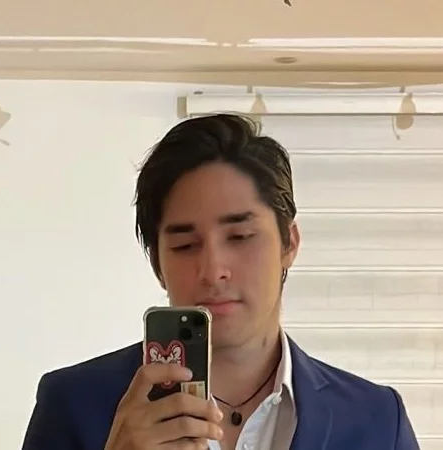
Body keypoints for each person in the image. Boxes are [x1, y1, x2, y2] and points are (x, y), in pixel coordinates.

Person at [21, 114, 420, 450]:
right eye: (185, 245)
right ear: (158, 264)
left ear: (289, 244)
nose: (213, 271)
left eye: (240, 237)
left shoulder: (378, 420)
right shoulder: (71, 405)